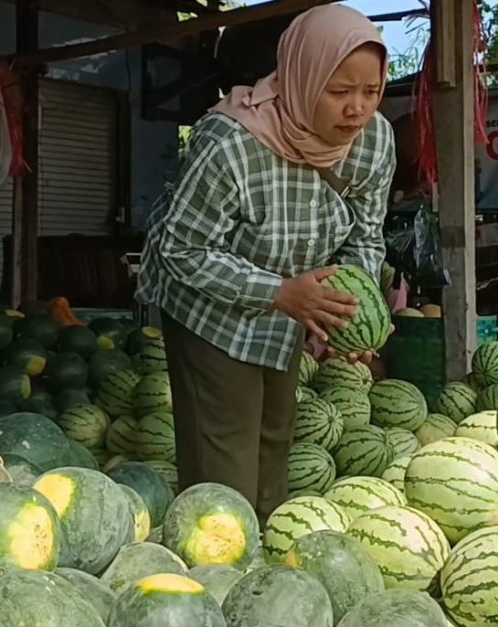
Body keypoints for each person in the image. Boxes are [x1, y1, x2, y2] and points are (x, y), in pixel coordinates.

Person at [136, 5, 395, 521]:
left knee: (276, 435)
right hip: (211, 307)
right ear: (302, 76)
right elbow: (181, 250)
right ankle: (216, 567)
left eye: (371, 92)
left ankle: (264, 563)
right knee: (226, 452)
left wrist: (345, 313)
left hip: (291, 309)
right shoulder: (230, 143)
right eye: (340, 91)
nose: (357, 110)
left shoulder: (374, 142)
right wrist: (277, 292)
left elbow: (365, 236)